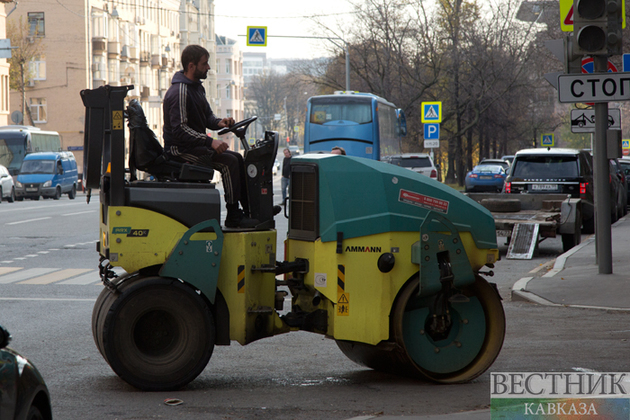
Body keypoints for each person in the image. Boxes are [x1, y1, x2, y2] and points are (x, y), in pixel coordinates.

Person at [163, 45, 257, 229]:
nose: (208, 68)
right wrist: (210, 142)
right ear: (191, 66)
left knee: (237, 158)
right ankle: (233, 216)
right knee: (228, 163)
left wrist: (221, 122)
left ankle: (250, 211)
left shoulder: (197, 88)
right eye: (205, 64)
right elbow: (180, 130)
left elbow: (207, 117)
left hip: (194, 146)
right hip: (179, 150)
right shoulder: (180, 91)